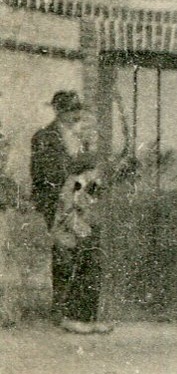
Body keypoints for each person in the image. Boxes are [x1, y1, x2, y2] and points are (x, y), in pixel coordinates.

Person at [32, 90, 87, 318]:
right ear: (58, 111)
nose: (75, 115)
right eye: (69, 110)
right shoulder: (44, 137)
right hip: (56, 204)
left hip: (79, 204)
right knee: (63, 255)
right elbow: (42, 174)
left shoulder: (79, 138)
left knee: (80, 255)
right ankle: (60, 311)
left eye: (76, 110)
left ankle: (73, 311)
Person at [52, 155, 110, 334]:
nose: (98, 174)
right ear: (87, 170)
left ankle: (89, 318)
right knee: (79, 274)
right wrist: (83, 230)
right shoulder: (72, 185)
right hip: (71, 238)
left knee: (92, 272)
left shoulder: (90, 186)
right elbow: (67, 213)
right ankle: (73, 318)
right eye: (96, 170)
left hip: (85, 237)